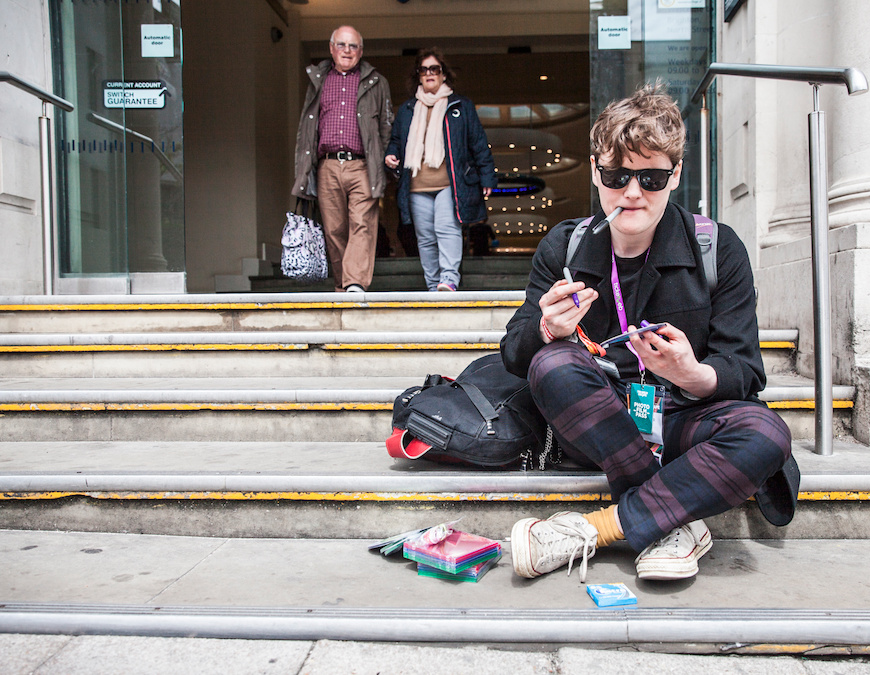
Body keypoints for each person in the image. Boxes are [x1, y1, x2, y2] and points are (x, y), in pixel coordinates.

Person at [500, 83, 794, 583]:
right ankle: (674, 520)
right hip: (601, 421)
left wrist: (692, 373)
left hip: (682, 417)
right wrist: (546, 328)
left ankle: (598, 528)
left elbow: (745, 371)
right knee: (552, 364)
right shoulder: (565, 246)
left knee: (766, 433)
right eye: (616, 176)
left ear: (675, 175)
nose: (632, 193)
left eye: (651, 177)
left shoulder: (718, 248)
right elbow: (513, 352)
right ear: (595, 172)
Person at [385, 49, 496, 292]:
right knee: (425, 237)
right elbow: (396, 140)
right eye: (424, 70)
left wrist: (487, 176)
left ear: (443, 74)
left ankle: (449, 279)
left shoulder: (460, 106)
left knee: (446, 228)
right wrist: (391, 154)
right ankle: (432, 284)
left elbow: (478, 142)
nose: (429, 74)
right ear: (418, 75)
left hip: (450, 184)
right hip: (417, 185)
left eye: (434, 69)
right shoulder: (407, 109)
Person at [292, 25, 393, 293]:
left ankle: (355, 283)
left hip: (362, 165)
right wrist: (304, 169)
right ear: (331, 48)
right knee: (334, 229)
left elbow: (386, 126)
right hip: (326, 165)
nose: (347, 51)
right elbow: (307, 126)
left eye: (353, 46)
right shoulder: (318, 80)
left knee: (362, 223)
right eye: (341, 45)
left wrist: (382, 160)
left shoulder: (377, 82)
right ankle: (342, 285)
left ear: (361, 51)